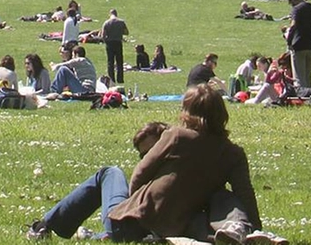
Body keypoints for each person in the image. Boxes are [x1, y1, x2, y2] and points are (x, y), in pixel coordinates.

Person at [28, 86, 262, 241]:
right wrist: (257, 228)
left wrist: (136, 207)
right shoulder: (234, 153)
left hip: (131, 224)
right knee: (223, 195)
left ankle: (45, 225)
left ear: (187, 113)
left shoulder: (177, 136)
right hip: (176, 227)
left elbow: (140, 173)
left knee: (108, 173)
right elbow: (244, 193)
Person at [102, 8, 130, 85]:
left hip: (109, 43)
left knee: (110, 62)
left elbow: (103, 35)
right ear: (116, 14)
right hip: (118, 42)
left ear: (110, 14)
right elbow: (126, 32)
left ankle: (111, 79)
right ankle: (120, 79)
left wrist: (106, 41)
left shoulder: (106, 23)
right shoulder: (121, 22)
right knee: (119, 61)